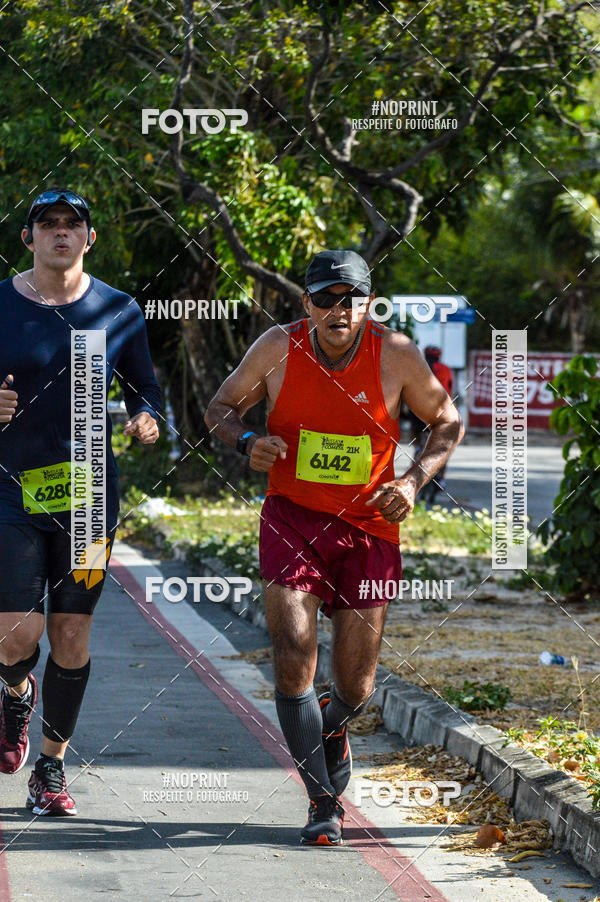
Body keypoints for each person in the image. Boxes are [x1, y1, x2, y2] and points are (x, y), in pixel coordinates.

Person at [204, 249, 464, 845]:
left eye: (351, 299)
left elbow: (445, 422)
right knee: (293, 648)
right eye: (326, 298)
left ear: (369, 304)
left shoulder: (395, 354)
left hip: (369, 529)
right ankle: (323, 802)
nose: (339, 310)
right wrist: (247, 440)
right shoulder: (277, 347)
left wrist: (412, 480)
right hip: (292, 520)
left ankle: (332, 724)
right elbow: (220, 406)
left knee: (356, 684)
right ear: (307, 304)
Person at [0, 187, 161, 815]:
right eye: (48, 224)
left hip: (90, 497)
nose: (60, 234)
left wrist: (147, 419)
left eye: (73, 225)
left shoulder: (118, 309)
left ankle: (52, 766)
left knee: (71, 632)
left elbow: (146, 388)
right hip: (11, 489)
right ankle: (16, 691)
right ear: (29, 238)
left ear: (89, 238)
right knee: (16, 635)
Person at [409, 345, 455, 498]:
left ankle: (416, 453)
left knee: (417, 440)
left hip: (418, 413)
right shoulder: (446, 370)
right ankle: (441, 480)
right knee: (444, 448)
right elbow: (450, 391)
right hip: (441, 412)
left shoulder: (417, 368)